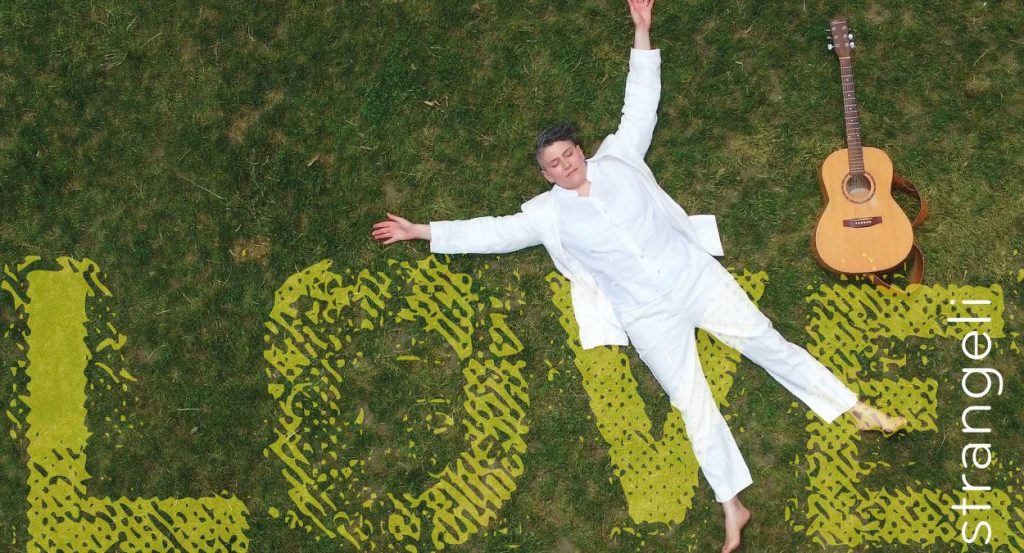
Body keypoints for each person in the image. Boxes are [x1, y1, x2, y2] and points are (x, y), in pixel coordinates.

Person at [372, 1, 905, 551]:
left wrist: (642, 31)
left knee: (770, 344)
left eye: (568, 154)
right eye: (553, 164)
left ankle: (855, 408)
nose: (565, 165)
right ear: (544, 175)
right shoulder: (546, 215)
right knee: (691, 402)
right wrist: (422, 231)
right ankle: (733, 505)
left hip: (695, 278)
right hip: (647, 315)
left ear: (581, 151)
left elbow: (641, 102)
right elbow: (493, 232)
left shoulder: (620, 157)